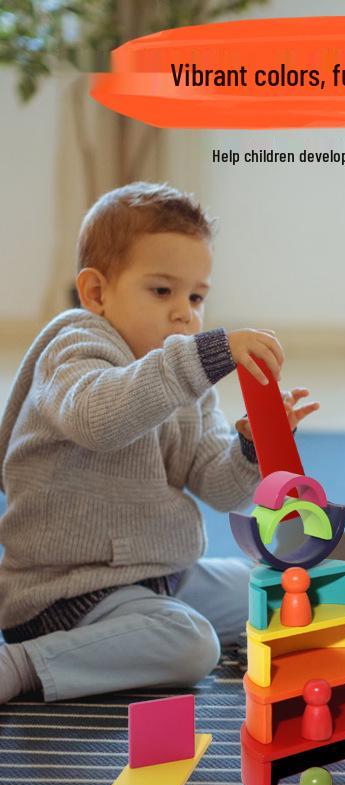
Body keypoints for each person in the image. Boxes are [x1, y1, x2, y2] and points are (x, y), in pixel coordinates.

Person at [0, 182, 318, 704]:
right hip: (63, 591)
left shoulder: (184, 375)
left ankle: (139, 631)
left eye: (196, 297)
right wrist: (199, 360)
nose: (184, 314)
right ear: (97, 293)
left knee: (276, 592)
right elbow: (100, 418)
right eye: (162, 291)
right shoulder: (75, 349)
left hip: (153, 573)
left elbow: (218, 487)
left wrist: (251, 446)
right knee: (193, 648)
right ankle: (26, 663)